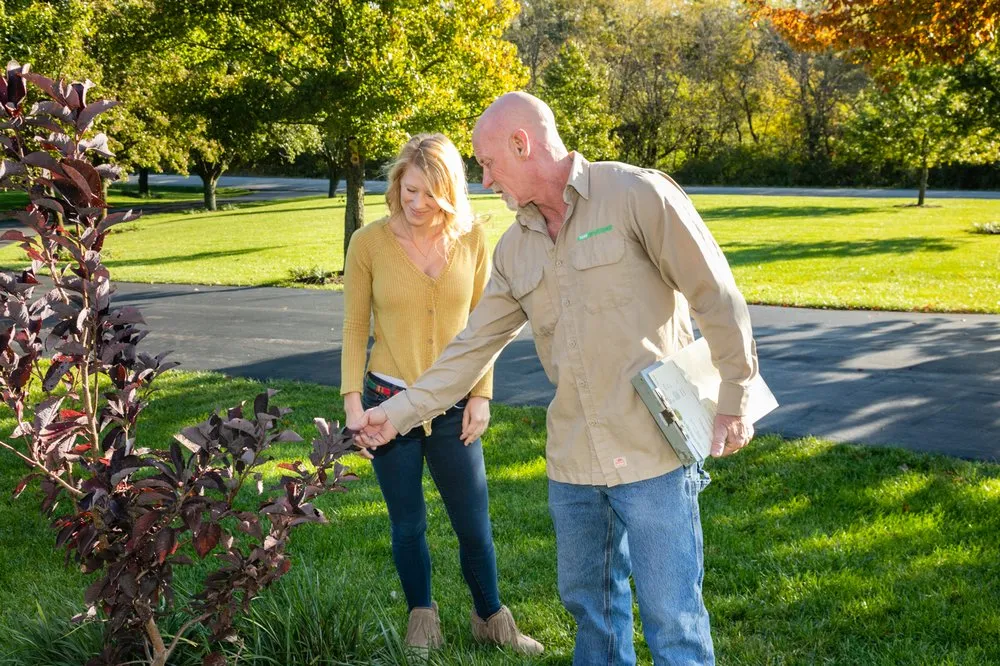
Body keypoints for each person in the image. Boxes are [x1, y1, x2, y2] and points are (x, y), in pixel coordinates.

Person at [353, 93, 760, 665]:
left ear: (523, 144)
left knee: (674, 622)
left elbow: (716, 296)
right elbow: (468, 350)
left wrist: (736, 398)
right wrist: (392, 415)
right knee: (594, 621)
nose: (485, 177)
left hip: (655, 456)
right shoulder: (515, 248)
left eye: (489, 162)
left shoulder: (636, 194)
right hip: (574, 468)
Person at [340, 133, 543, 655]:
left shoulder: (473, 240)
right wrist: (352, 404)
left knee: (473, 524)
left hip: (456, 408)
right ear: (396, 186)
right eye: (408, 191)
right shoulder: (368, 243)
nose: (416, 203)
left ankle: (491, 619)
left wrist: (481, 395)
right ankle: (422, 620)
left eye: (428, 193)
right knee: (408, 524)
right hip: (388, 404)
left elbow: (486, 326)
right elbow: (353, 326)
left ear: (449, 192)